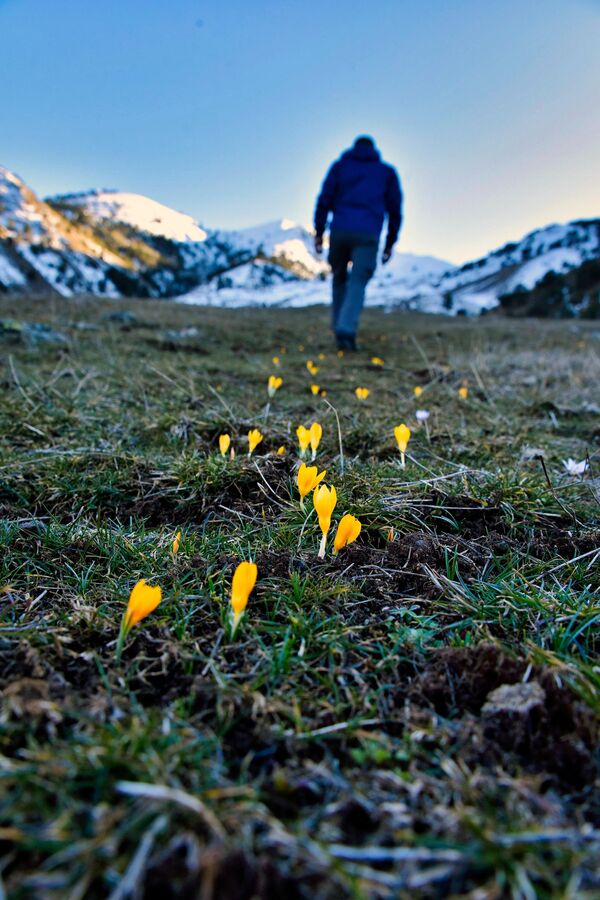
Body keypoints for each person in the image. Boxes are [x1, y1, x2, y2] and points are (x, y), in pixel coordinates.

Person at [314, 136, 403, 351]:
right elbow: (395, 210)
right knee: (358, 281)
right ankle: (346, 329)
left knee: (339, 277)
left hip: (340, 229)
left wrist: (319, 231)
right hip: (368, 233)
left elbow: (324, 199)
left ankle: (339, 327)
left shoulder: (340, 167)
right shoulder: (386, 172)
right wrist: (390, 242)